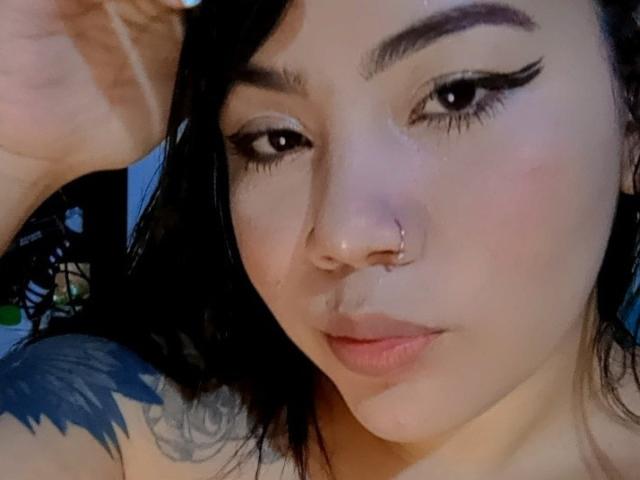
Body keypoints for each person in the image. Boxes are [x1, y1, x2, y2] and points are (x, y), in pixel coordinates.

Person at [4, 0, 640, 479]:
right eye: (277, 139)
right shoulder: (122, 430)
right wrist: (15, 159)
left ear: (632, 113)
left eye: (456, 96)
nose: (344, 234)